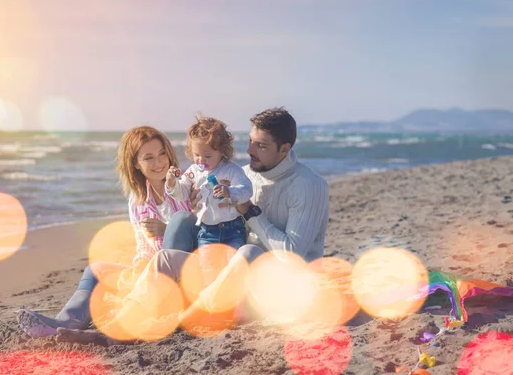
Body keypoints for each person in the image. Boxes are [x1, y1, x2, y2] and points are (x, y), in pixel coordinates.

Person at [55, 107, 330, 346]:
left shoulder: (309, 185)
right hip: (233, 274)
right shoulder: (245, 174)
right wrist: (198, 206)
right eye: (250, 141)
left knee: (246, 252)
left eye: (261, 146)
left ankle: (178, 321)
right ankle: (126, 322)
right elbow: (207, 209)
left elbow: (292, 254)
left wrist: (248, 210)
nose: (249, 151)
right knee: (166, 258)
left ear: (285, 149)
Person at [17, 126, 192, 337]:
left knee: (180, 221)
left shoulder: (187, 185)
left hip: (185, 276)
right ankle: (65, 322)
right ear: (136, 163)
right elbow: (144, 248)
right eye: (149, 157)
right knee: (96, 269)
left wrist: (165, 228)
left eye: (162, 153)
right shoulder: (137, 201)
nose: (159, 162)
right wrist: (138, 268)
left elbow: (203, 231)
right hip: (153, 275)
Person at [166, 116, 252, 251]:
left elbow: (246, 189)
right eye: (196, 155)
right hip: (207, 231)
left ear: (222, 151)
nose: (201, 160)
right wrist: (172, 183)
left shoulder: (231, 170)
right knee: (207, 267)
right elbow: (182, 193)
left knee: (234, 263)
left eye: (208, 156)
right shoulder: (193, 171)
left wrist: (230, 192)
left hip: (233, 229)